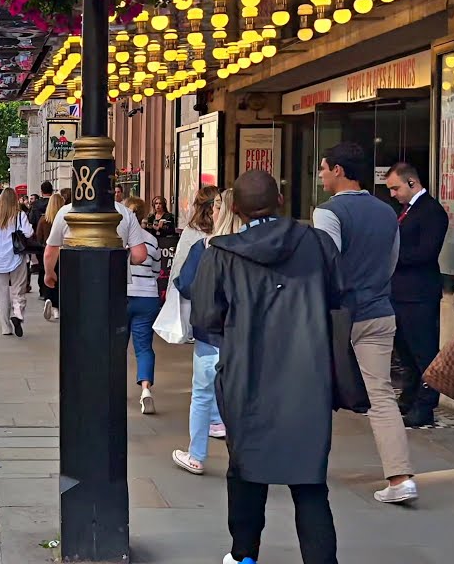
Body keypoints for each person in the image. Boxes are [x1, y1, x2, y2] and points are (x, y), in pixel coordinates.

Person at [192, 171, 342, 564]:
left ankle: (243, 555)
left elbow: (205, 318)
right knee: (310, 481)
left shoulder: (221, 253)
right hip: (308, 374)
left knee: (245, 469)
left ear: (235, 209)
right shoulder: (317, 242)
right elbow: (339, 298)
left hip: (247, 373)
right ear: (280, 197)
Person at [312, 142, 416, 504]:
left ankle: (307, 469)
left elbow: (327, 267)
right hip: (379, 310)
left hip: (339, 315)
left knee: (317, 391)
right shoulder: (389, 212)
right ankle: (400, 477)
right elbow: (391, 261)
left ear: (339, 170)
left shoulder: (327, 212)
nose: (321, 174)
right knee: (382, 395)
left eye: (323, 168)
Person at [42, 196, 151, 378]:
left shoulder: (66, 211)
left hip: (76, 286)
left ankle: (81, 377)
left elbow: (50, 251)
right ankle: (107, 376)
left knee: (78, 337)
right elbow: (140, 255)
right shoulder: (125, 213)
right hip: (114, 286)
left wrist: (49, 273)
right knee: (111, 337)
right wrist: (122, 260)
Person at [170, 187, 237, 475]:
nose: (213, 212)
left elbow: (184, 284)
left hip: (211, 334)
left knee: (202, 392)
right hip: (243, 335)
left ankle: (196, 455)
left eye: (217, 207)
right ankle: (245, 458)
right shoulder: (252, 247)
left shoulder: (206, 247)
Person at [386, 162, 449, 428]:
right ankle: (410, 395)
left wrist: (390, 258)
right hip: (400, 292)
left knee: (423, 352)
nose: (392, 194)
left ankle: (425, 405)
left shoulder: (431, 211)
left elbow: (425, 253)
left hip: (419, 293)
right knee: (406, 350)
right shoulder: (407, 210)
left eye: (395, 188)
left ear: (412, 183)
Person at [122, 197, 163, 414]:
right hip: (147, 297)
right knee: (144, 347)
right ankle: (146, 390)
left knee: (117, 345)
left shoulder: (120, 238)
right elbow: (157, 270)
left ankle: (116, 388)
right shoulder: (151, 240)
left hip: (123, 296)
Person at [0, 188, 34, 337]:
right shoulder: (20, 215)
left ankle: (6, 328)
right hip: (17, 258)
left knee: (2, 295)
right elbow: (29, 233)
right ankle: (17, 315)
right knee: (18, 291)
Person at [36, 193, 64, 321]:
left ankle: (48, 298)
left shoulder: (43, 220)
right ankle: (57, 308)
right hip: (62, 253)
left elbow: (38, 237)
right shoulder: (65, 219)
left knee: (47, 276)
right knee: (59, 279)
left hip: (46, 251)